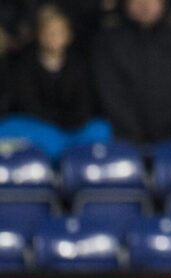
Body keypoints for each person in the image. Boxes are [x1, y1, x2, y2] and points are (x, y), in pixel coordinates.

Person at [91, 0, 171, 143]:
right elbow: (109, 93)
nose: (145, 5)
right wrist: (131, 131)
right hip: (125, 139)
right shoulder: (109, 43)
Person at [2, 4, 111, 162]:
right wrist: (52, 128)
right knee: (10, 127)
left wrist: (66, 125)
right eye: (48, 32)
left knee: (101, 129)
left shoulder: (80, 65)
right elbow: (29, 104)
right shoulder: (24, 64)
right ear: (39, 35)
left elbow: (84, 105)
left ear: (68, 36)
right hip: (39, 128)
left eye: (58, 32)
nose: (53, 37)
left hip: (74, 128)